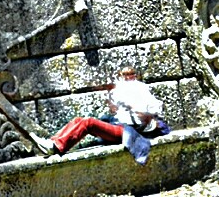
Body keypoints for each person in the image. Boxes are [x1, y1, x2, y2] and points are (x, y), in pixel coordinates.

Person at [37, 66, 171, 162]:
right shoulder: (124, 91)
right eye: (124, 75)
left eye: (131, 75)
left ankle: (57, 147)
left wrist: (136, 110)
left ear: (135, 76)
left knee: (88, 123)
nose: (127, 77)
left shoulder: (142, 90)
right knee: (78, 120)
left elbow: (152, 113)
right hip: (120, 125)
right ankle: (53, 142)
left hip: (129, 132)